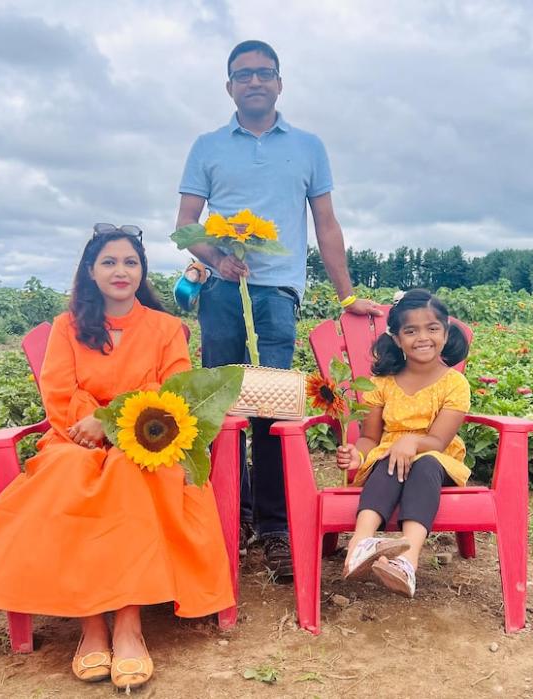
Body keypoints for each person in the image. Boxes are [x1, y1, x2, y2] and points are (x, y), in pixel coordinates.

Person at [0, 225, 234, 691]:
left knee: (127, 471)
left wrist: (112, 421)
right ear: (90, 271)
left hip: (148, 441)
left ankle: (127, 623)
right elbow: (60, 396)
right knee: (68, 471)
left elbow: (171, 395)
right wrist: (96, 426)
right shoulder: (68, 328)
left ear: (142, 271)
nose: (120, 270)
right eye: (109, 262)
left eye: (130, 262)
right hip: (74, 441)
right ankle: (91, 625)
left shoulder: (166, 330)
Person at [176, 39, 382, 579]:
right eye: (243, 75)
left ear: (279, 82)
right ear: (229, 87)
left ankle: (272, 526)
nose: (254, 82)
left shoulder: (309, 147)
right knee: (221, 405)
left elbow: (327, 225)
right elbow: (186, 224)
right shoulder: (207, 146)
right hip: (222, 293)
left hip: (278, 295)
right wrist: (216, 258)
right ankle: (225, 515)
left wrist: (347, 294)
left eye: (264, 73)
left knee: (273, 406)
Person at [334, 289, 472, 598]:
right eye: (411, 331)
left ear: (446, 334)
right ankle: (360, 544)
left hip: (437, 461)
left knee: (422, 462)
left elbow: (438, 440)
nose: (423, 337)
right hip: (390, 461)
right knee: (388, 458)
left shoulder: (454, 384)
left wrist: (410, 441)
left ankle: (407, 562)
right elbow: (370, 437)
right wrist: (357, 455)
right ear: (397, 339)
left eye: (432, 328)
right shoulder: (382, 384)